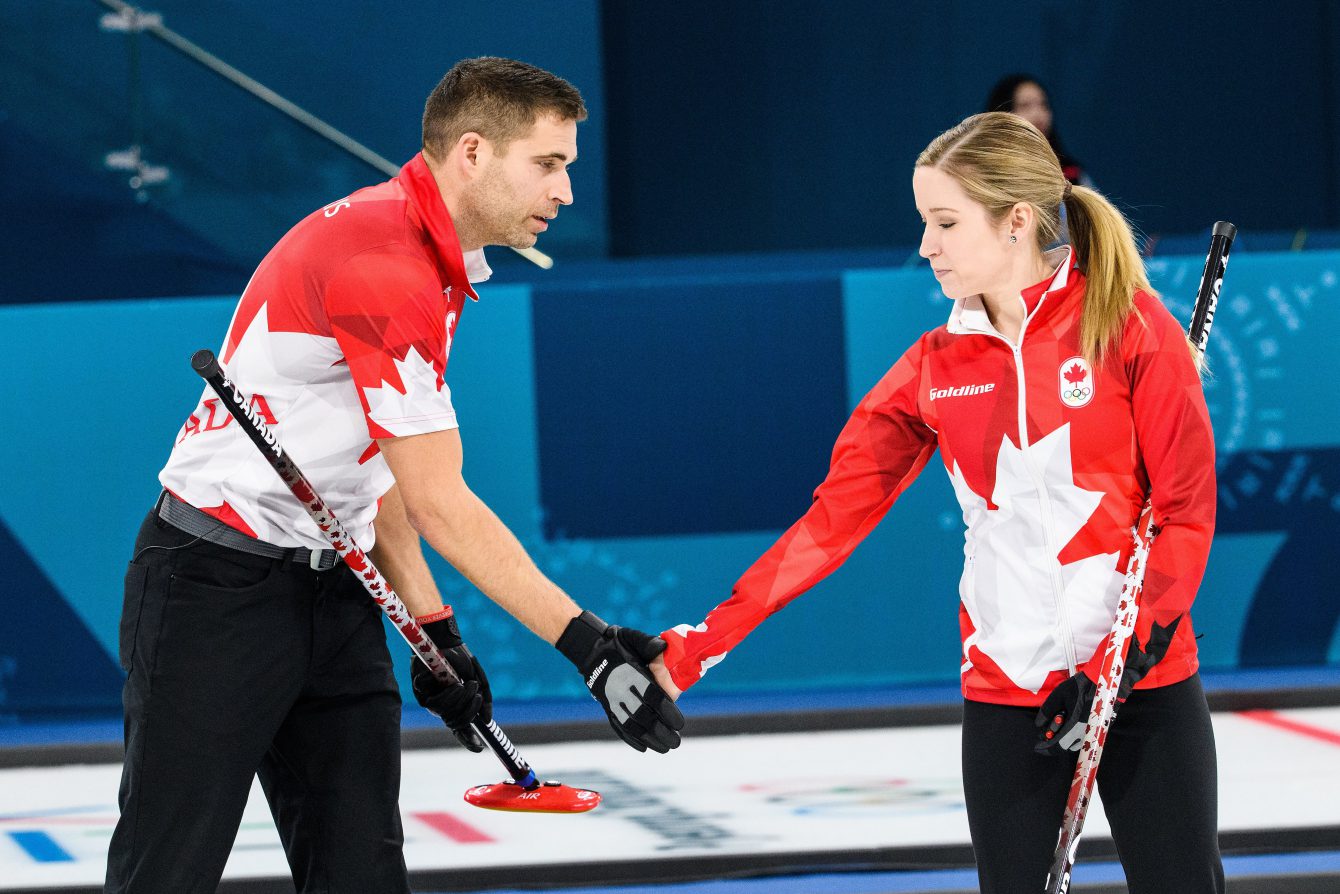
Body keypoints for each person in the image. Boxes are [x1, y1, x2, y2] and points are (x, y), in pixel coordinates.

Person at [107, 57, 683, 894]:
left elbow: (378, 476)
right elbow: (440, 501)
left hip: (334, 593)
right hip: (211, 589)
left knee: (362, 872)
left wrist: (435, 626)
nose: (564, 193)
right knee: (166, 871)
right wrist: (591, 649)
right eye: (549, 164)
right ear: (474, 152)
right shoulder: (384, 264)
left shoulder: (430, 256)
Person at [653, 112, 1224, 893]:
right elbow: (828, 525)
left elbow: (1187, 516)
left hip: (1142, 690)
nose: (927, 246)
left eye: (946, 223)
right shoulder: (934, 367)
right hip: (1007, 700)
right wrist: (699, 645)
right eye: (926, 223)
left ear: (1016, 221)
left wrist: (1115, 668)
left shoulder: (1130, 329)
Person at [986, 73, 1092, 187]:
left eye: (1043, 104)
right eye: (1025, 106)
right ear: (1003, 114)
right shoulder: (986, 171)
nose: (1038, 115)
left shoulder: (1071, 172)